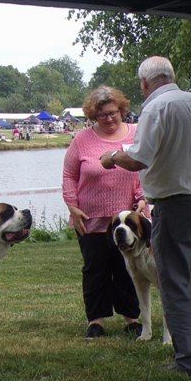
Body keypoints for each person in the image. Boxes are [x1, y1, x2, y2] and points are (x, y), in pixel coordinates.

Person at [101, 56, 191, 377]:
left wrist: (112, 157)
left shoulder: (155, 109)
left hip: (175, 205)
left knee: (174, 283)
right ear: (172, 76)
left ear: (145, 83)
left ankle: (187, 362)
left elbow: (138, 159)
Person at [63, 86, 147, 339]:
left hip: (128, 219)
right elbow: (69, 175)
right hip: (90, 218)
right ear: (93, 116)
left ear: (122, 110)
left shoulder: (136, 134)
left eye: (113, 113)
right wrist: (72, 205)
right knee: (95, 269)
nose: (109, 118)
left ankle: (132, 318)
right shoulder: (81, 140)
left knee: (127, 269)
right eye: (102, 115)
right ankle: (96, 321)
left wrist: (143, 198)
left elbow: (145, 169)